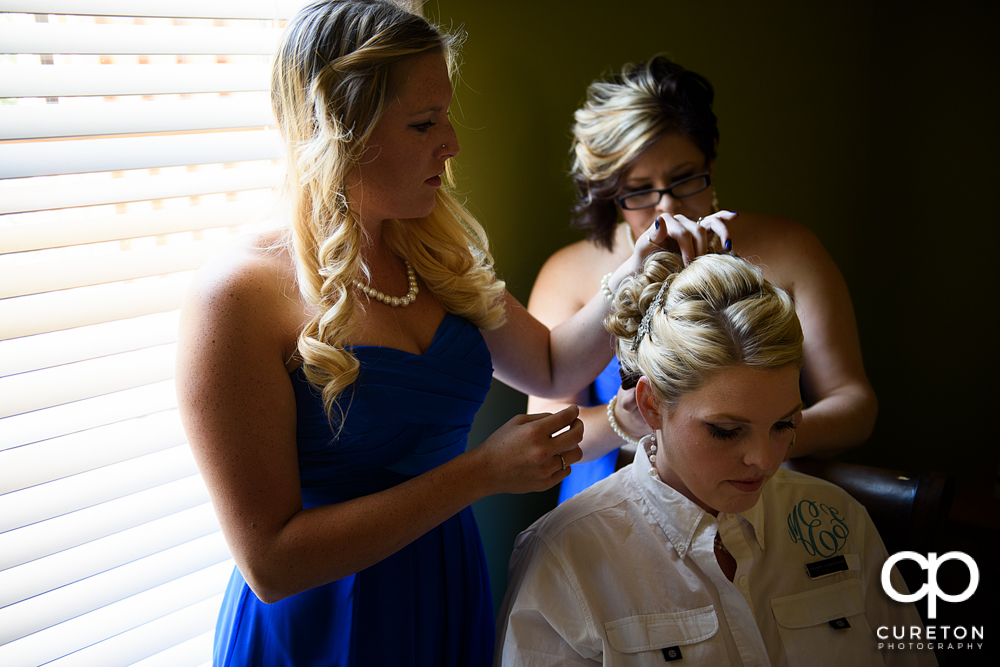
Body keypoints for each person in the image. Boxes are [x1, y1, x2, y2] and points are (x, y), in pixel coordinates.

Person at [175, 2, 728, 664]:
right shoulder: (237, 297)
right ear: (340, 130)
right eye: (423, 123)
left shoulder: (433, 256)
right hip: (322, 623)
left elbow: (550, 364)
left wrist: (641, 269)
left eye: (446, 115)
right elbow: (270, 561)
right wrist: (478, 474)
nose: (452, 143)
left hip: (443, 591)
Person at [496, 251, 933, 666]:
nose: (764, 460)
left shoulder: (841, 521)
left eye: (784, 425)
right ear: (650, 405)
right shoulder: (566, 558)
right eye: (725, 431)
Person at [526, 56, 878, 504]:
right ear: (611, 191)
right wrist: (627, 421)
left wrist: (758, 439)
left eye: (685, 178)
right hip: (612, 507)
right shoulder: (568, 273)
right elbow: (548, 439)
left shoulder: (792, 249)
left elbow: (855, 406)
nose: (667, 207)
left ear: (711, 153)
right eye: (639, 189)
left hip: (755, 491)